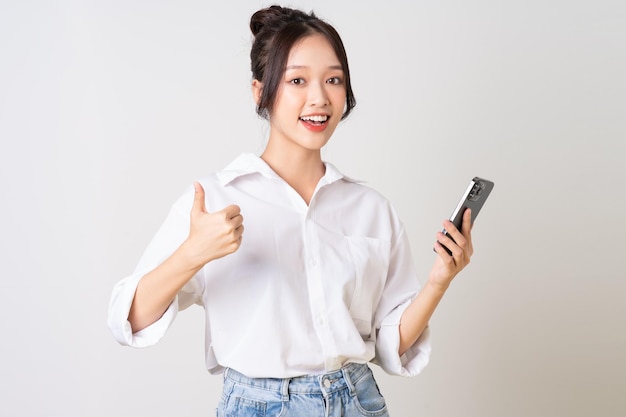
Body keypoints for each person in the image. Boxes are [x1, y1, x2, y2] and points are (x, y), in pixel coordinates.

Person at [108, 5, 474, 416]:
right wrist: (194, 252)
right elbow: (130, 320)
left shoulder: (370, 208)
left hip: (357, 401)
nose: (319, 98)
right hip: (259, 406)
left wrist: (440, 281)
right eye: (297, 80)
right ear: (259, 91)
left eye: (333, 80)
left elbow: (390, 344)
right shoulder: (214, 200)